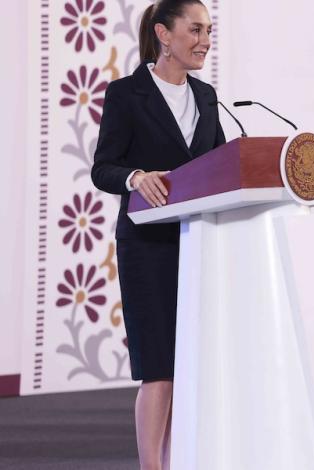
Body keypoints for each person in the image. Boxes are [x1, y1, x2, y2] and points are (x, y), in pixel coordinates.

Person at [90, 1, 225, 468]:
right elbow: (102, 168)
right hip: (147, 247)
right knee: (160, 369)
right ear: (164, 35)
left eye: (208, 30)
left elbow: (222, 166)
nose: (205, 39)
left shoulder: (207, 97)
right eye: (195, 29)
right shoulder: (126, 94)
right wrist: (134, 178)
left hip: (200, 243)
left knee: (191, 368)